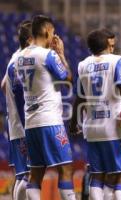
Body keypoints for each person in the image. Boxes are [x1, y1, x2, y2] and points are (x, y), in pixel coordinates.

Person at [70, 28, 121, 200]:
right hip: (114, 127)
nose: (113, 47)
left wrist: (74, 122)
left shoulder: (83, 65)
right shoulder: (117, 60)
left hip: (92, 129)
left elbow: (80, 98)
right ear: (107, 45)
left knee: (98, 175)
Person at [15, 15, 75, 200]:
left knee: (35, 173)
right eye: (53, 33)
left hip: (31, 123)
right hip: (50, 121)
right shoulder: (47, 55)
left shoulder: (20, 57)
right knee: (65, 168)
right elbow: (68, 79)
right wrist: (61, 54)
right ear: (48, 31)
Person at [1, 20, 32, 200]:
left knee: (21, 175)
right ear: (30, 39)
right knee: (27, 175)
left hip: (13, 123)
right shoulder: (25, 60)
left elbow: (4, 85)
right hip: (23, 123)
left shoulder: (14, 56)